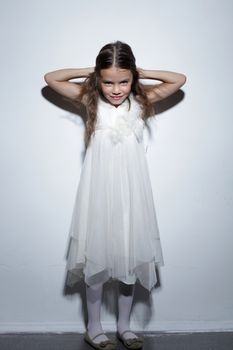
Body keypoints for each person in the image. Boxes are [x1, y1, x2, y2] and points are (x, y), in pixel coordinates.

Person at [44, 41, 186, 350]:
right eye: (108, 81)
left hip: (132, 195)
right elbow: (51, 78)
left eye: (123, 81)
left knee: (129, 258)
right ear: (99, 80)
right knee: (96, 255)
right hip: (97, 194)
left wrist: (139, 72)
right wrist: (91, 73)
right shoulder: (91, 97)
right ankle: (93, 327)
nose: (116, 88)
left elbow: (179, 80)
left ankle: (124, 326)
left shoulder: (140, 100)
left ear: (132, 78)